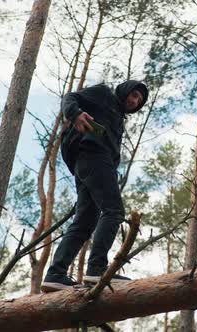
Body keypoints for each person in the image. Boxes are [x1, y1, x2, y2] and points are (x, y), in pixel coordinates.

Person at [41, 80, 148, 292]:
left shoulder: (117, 117)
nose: (134, 101)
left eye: (139, 100)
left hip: (89, 165)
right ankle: (97, 270)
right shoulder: (103, 94)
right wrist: (75, 114)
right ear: (125, 89)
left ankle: (55, 274)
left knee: (85, 222)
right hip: (92, 156)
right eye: (134, 94)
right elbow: (70, 97)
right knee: (114, 211)